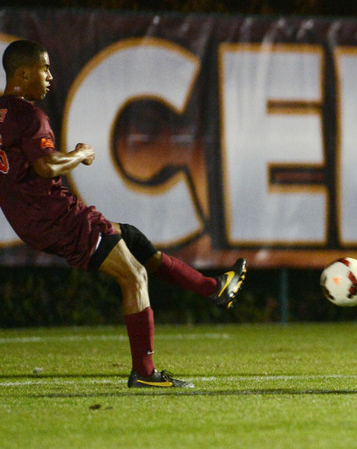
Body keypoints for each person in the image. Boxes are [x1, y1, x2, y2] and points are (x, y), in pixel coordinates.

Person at [0, 39, 246, 389]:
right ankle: (145, 373)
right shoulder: (30, 115)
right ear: (24, 73)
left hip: (30, 221)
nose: (51, 76)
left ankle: (212, 288)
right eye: (45, 68)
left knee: (129, 236)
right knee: (135, 277)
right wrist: (80, 153)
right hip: (56, 216)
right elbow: (47, 165)